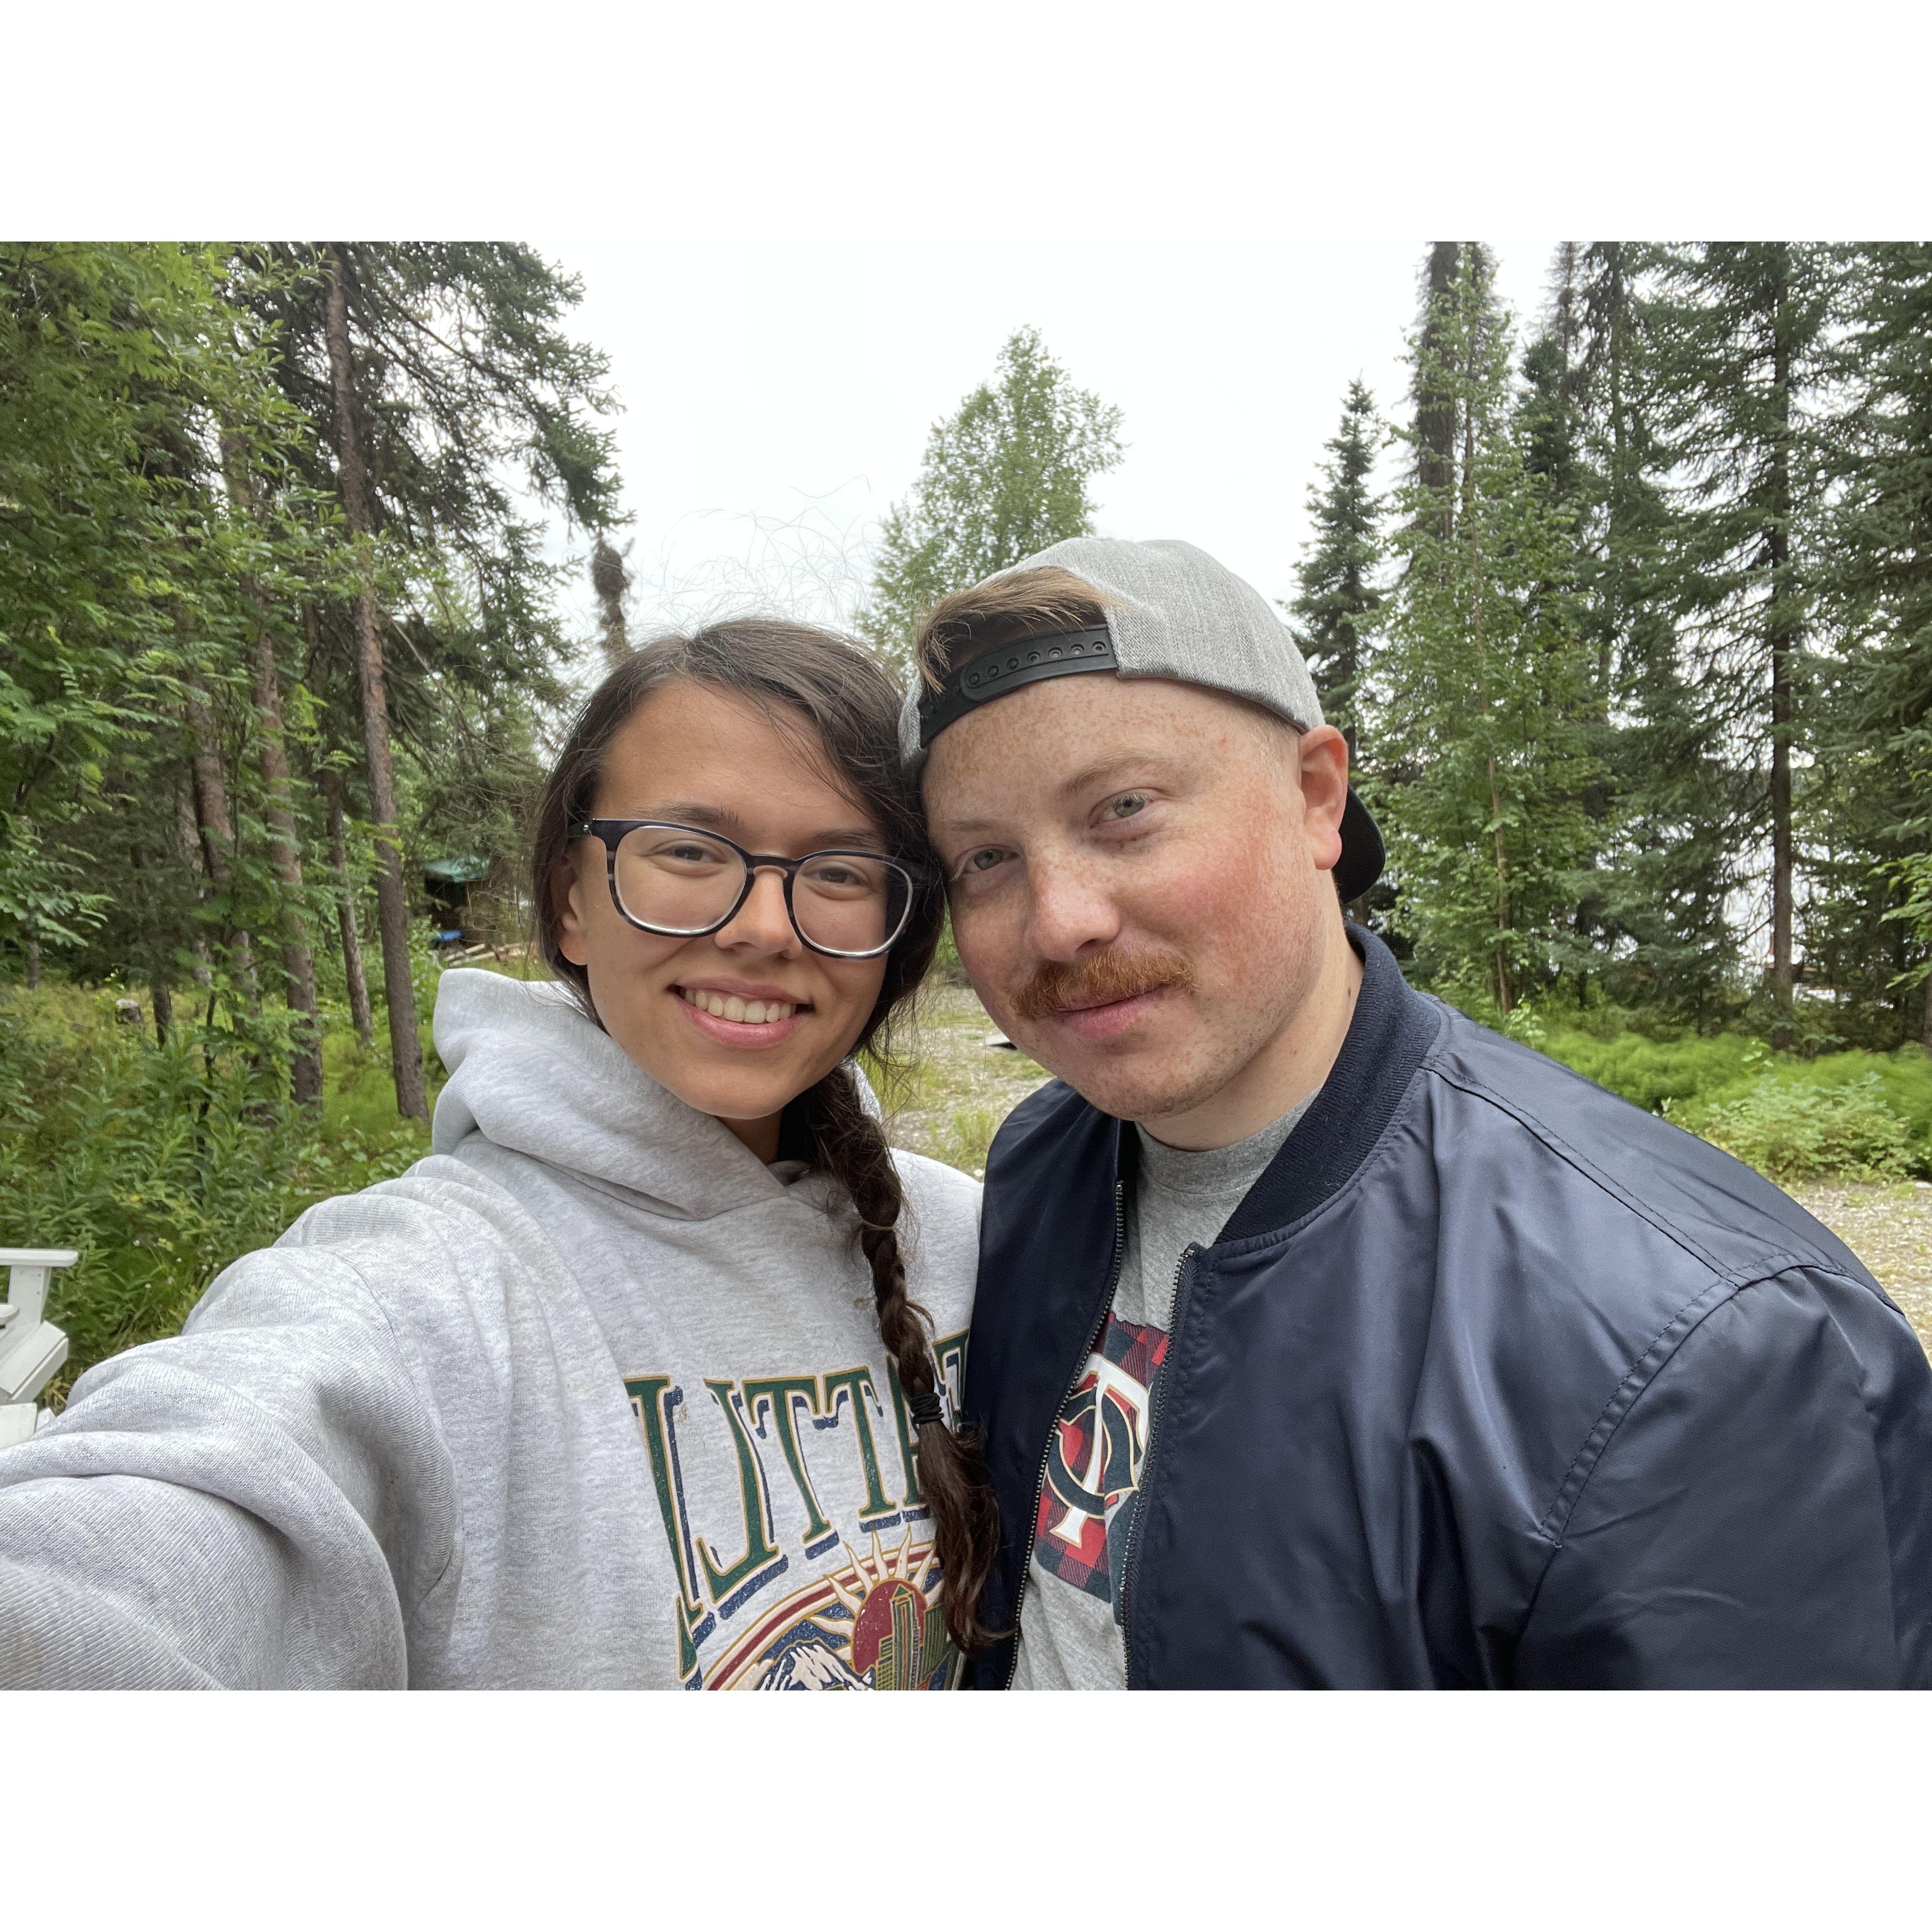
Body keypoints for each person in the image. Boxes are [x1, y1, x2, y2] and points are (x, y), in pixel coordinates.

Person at [908, 535, 1932, 1690]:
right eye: (985, 859)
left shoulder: (1708, 1347)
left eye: (1125, 808)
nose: (1058, 921)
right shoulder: (1044, 1163)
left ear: (1316, 798)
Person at [0, 621, 997, 1689]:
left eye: (838, 870)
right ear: (571, 902)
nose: (763, 927)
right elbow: (152, 1540)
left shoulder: (971, 1236)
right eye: (690, 851)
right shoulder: (422, 1289)